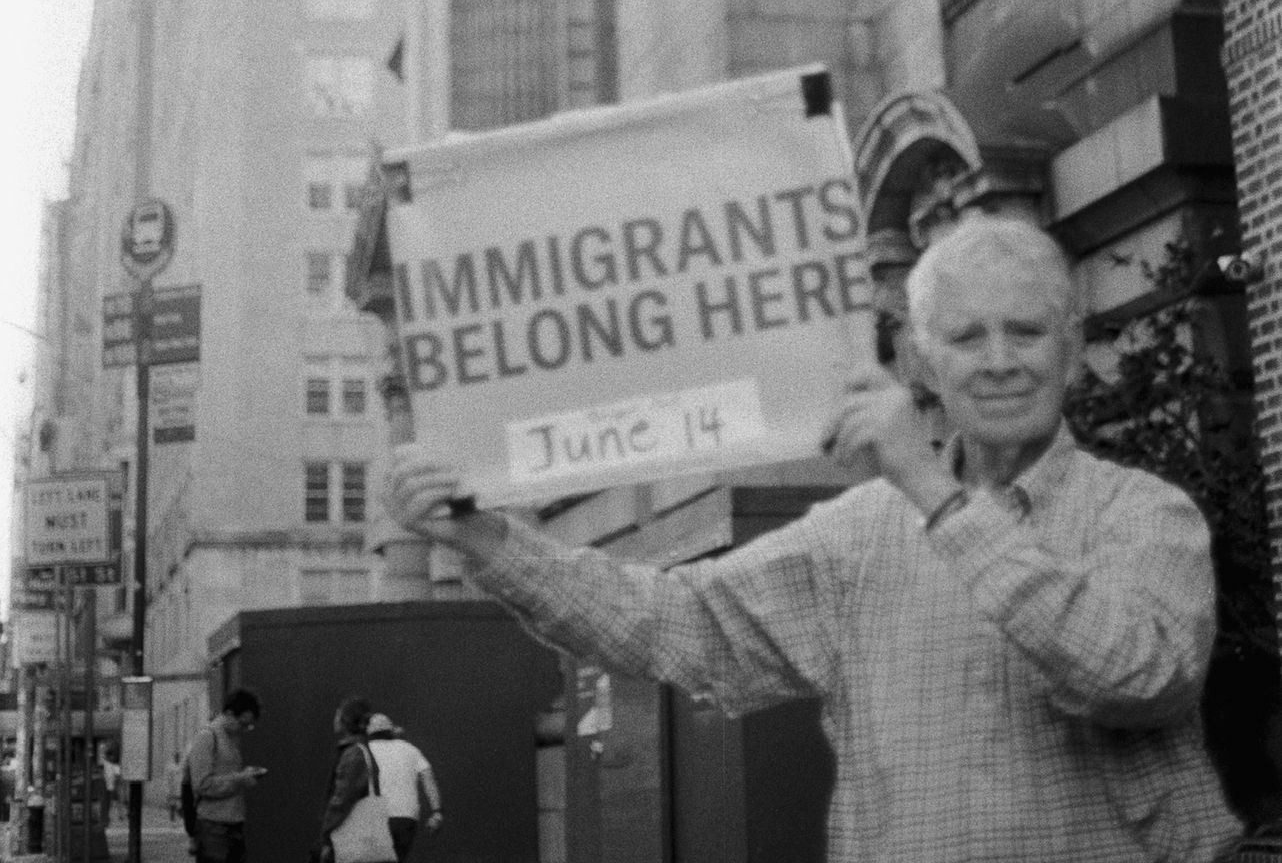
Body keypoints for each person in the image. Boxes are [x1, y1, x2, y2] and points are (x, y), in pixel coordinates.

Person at [388, 211, 1243, 862]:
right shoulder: (856, 538)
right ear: (921, 362)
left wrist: (934, 494)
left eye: (1026, 331)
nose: (998, 361)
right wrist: (484, 538)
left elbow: (1134, 673)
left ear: (1072, 347)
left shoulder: (1146, 516)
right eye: (966, 337)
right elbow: (670, 622)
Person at [186, 688, 265, 863]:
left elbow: (226, 775)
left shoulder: (231, 739)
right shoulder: (207, 737)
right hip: (213, 827)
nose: (244, 729)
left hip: (233, 823)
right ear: (229, 714)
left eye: (249, 726)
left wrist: (244, 776)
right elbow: (203, 784)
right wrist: (241, 779)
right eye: (243, 723)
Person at [317, 695, 388, 863]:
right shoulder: (362, 750)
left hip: (349, 837)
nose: (335, 716)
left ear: (346, 719)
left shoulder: (354, 753)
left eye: (339, 713)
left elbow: (343, 797)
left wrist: (327, 832)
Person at [366, 713, 443, 859]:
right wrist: (436, 811)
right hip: (406, 817)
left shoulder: (365, 750)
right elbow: (428, 777)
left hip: (374, 816)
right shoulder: (411, 749)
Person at [165, 752, 184, 824]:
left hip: (180, 789)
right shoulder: (170, 767)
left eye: (178, 757)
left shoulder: (182, 766)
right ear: (174, 757)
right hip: (172, 789)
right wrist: (168, 790)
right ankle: (172, 821)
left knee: (180, 805)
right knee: (172, 806)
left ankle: (181, 819)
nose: (177, 758)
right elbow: (168, 779)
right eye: (176, 757)